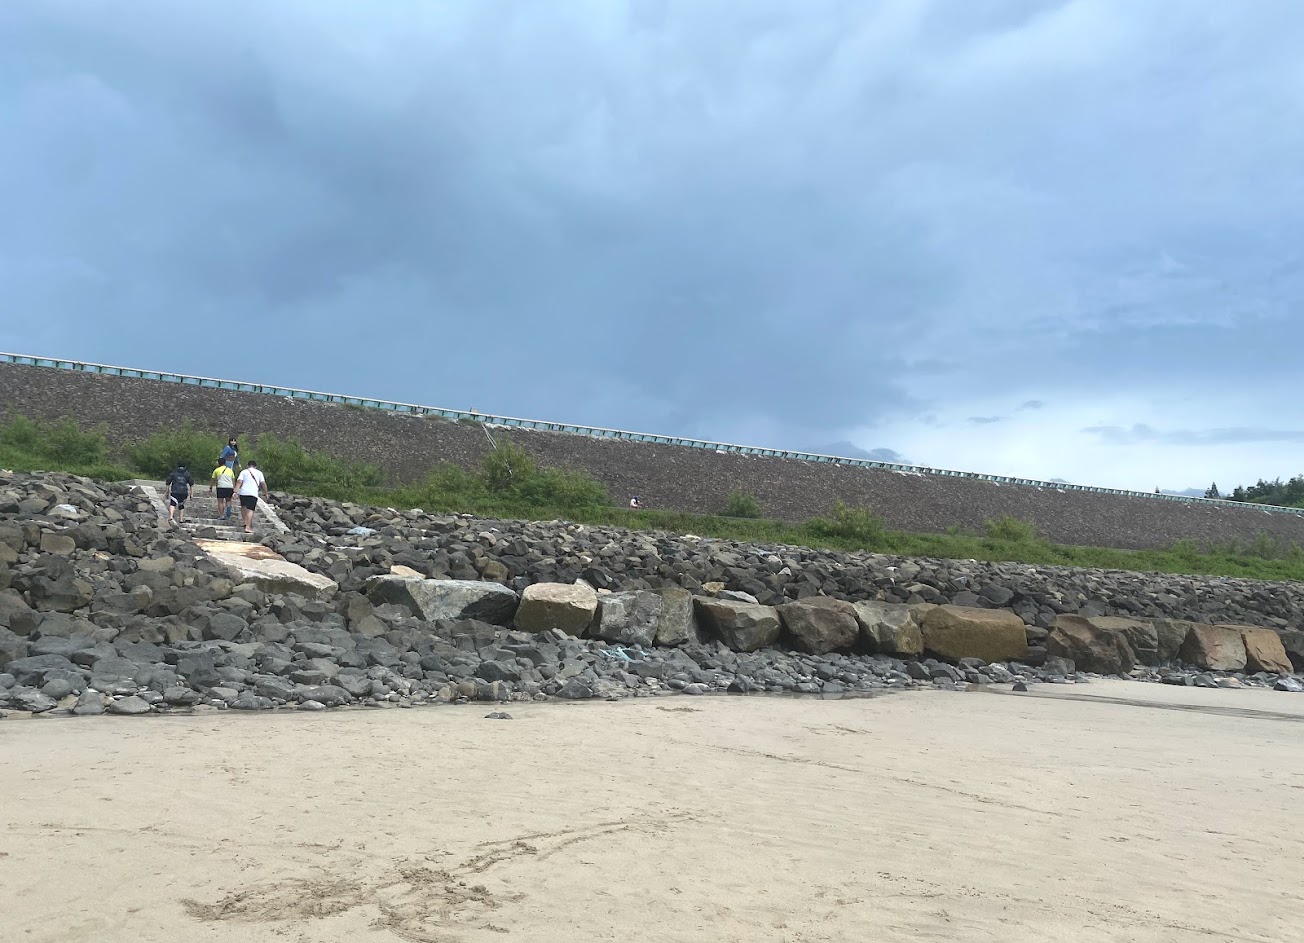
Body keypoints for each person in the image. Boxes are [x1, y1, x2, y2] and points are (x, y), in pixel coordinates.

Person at [234, 460, 269, 535]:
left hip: (243, 492)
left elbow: (239, 481)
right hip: (253, 493)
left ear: (248, 465)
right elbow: (263, 483)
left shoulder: (243, 472)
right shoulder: (259, 473)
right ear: (256, 466)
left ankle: (245, 522)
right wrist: (266, 493)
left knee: (243, 507)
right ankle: (248, 527)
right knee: (250, 510)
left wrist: (235, 491)